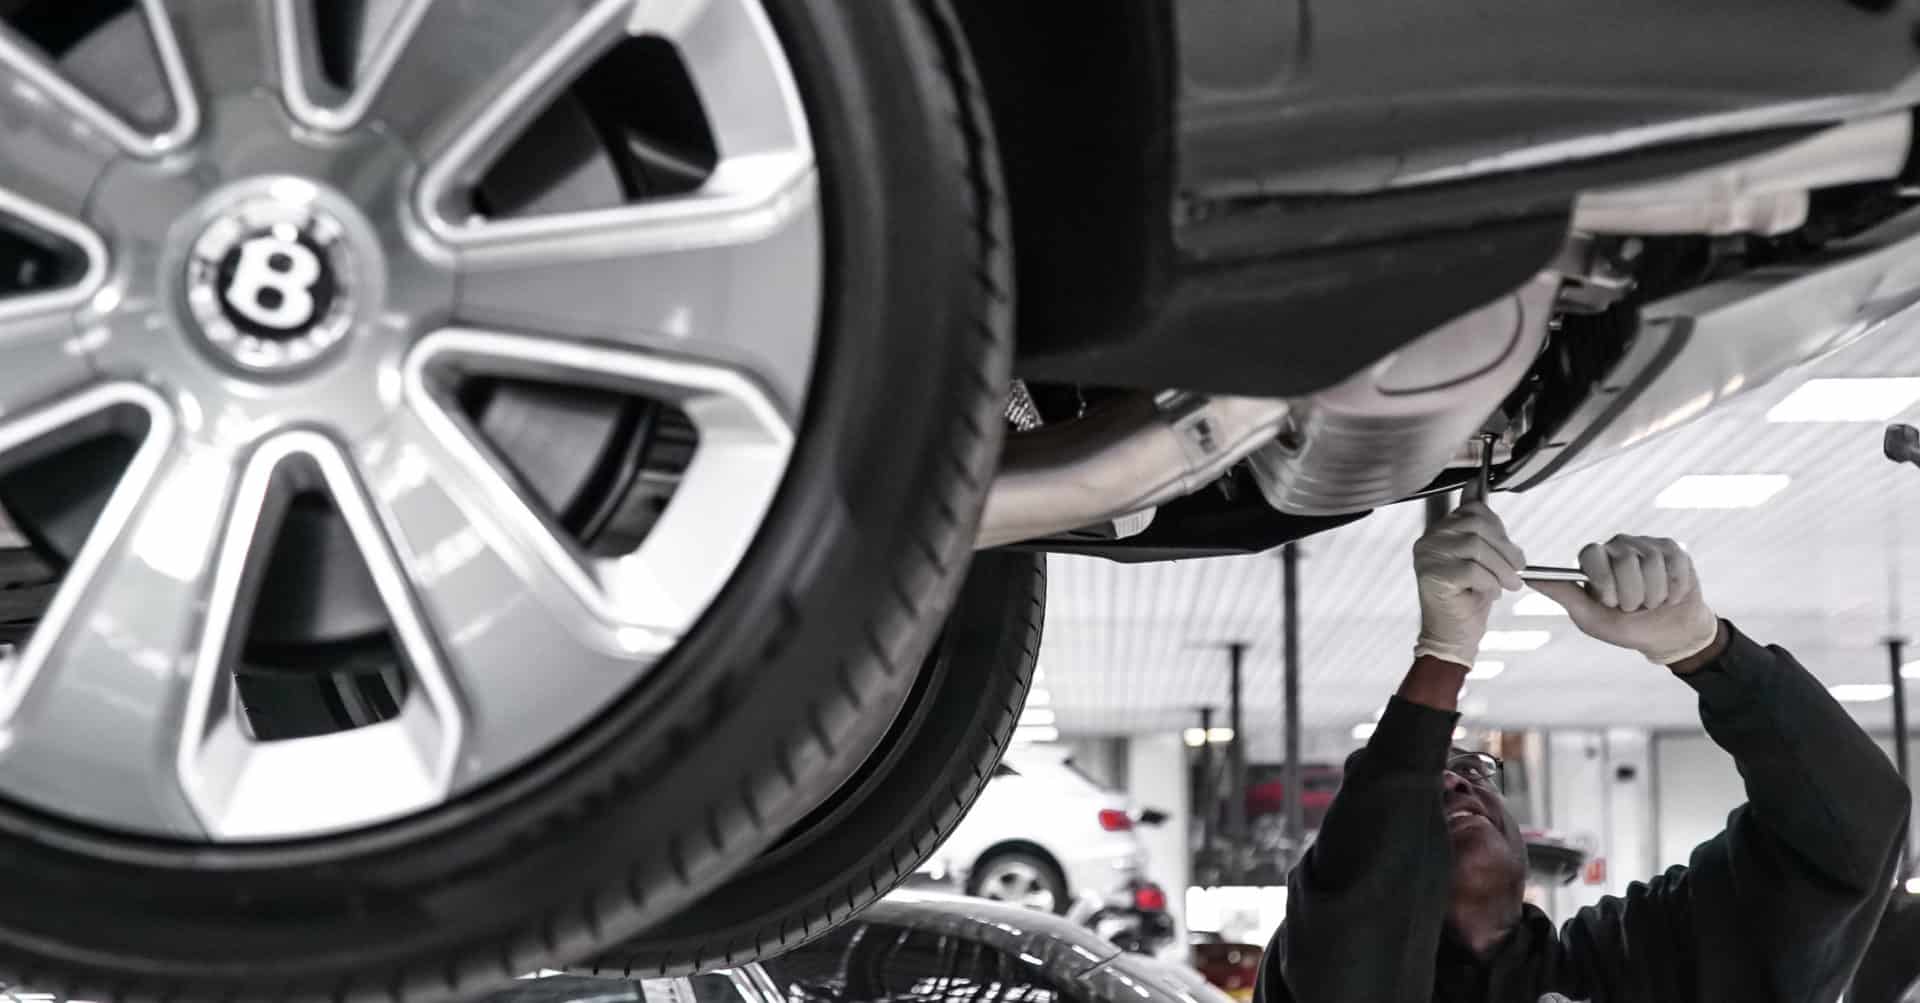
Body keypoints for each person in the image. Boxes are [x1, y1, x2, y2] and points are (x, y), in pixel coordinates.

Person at [1255, 500, 1911, 1003]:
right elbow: (1352, 931)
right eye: (1426, 779)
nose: (1454, 784)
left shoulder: (1634, 963)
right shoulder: (1317, 969)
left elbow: (1849, 837)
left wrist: (1708, 650)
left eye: (1473, 771)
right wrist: (1441, 658)